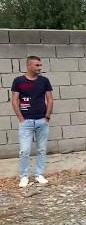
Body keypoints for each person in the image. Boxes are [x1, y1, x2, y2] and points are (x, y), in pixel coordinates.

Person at [11, 56, 53, 188]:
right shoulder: (18, 81)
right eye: (37, 65)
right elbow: (14, 100)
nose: (40, 67)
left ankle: (39, 174)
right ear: (29, 66)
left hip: (42, 120)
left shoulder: (44, 81)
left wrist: (47, 117)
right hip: (26, 122)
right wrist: (21, 119)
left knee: (41, 149)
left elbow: (50, 99)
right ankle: (24, 176)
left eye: (40, 65)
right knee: (24, 150)